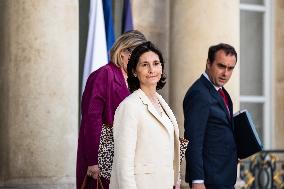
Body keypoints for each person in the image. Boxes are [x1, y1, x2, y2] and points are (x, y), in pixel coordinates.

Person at [76, 30, 147, 189]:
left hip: (126, 160)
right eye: (138, 56)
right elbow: (91, 120)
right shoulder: (103, 75)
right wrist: (93, 160)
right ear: (123, 53)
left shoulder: (134, 82)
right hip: (102, 160)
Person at [110, 41, 181, 189]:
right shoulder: (129, 106)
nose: (151, 69)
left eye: (156, 63)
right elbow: (123, 164)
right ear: (134, 71)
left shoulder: (163, 104)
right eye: (144, 65)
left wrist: (176, 180)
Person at [183, 43, 238, 189]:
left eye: (230, 68)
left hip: (224, 177)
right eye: (221, 66)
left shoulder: (221, 92)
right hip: (209, 181)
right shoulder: (199, 94)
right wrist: (197, 180)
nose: (225, 73)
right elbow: (193, 140)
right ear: (208, 63)